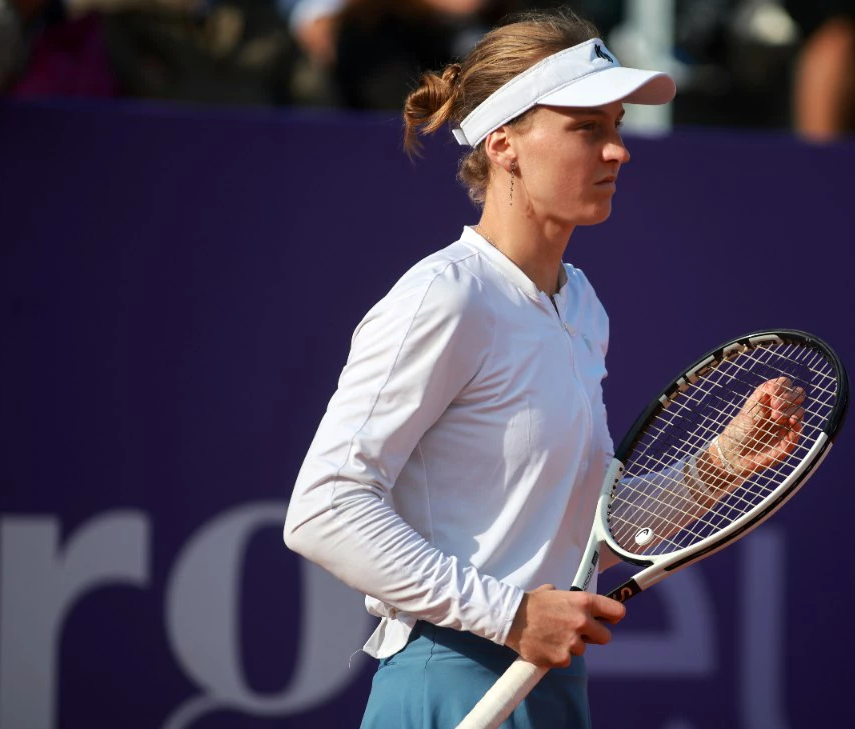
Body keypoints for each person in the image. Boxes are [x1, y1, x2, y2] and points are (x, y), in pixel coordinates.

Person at [283, 8, 802, 727]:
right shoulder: (446, 296)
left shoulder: (580, 305)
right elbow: (324, 508)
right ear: (505, 144)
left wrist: (719, 463)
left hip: (550, 690)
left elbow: (580, 530)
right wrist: (511, 613)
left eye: (616, 126)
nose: (618, 150)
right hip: (449, 681)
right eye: (588, 128)